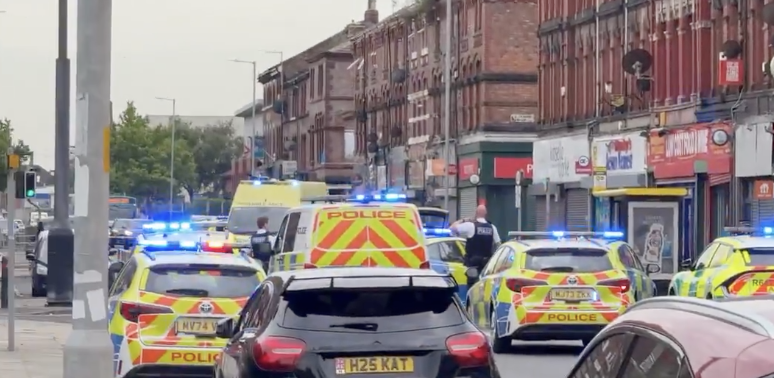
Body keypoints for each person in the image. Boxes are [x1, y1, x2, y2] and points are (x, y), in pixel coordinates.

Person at [450, 205, 501, 286]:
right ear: (486, 213)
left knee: (471, 289)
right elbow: (498, 245)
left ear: (476, 213)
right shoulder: (492, 227)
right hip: (486, 267)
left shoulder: (471, 226)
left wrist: (464, 220)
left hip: (472, 266)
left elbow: (452, 228)